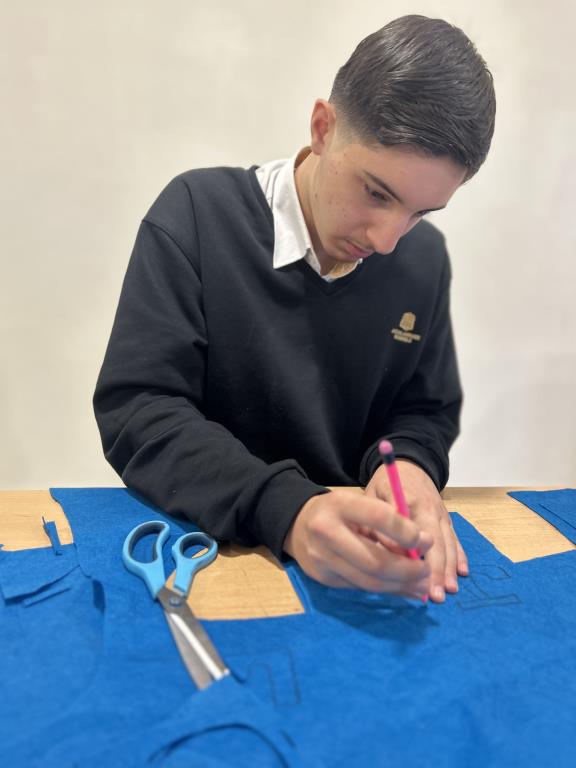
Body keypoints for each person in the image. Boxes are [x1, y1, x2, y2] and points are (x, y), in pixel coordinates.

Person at [94, 15, 496, 603]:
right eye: (376, 193)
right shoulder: (196, 216)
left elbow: (422, 410)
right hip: (213, 553)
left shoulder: (423, 260)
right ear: (322, 127)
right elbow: (138, 411)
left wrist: (406, 465)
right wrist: (288, 510)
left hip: (357, 556)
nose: (388, 240)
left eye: (420, 213)